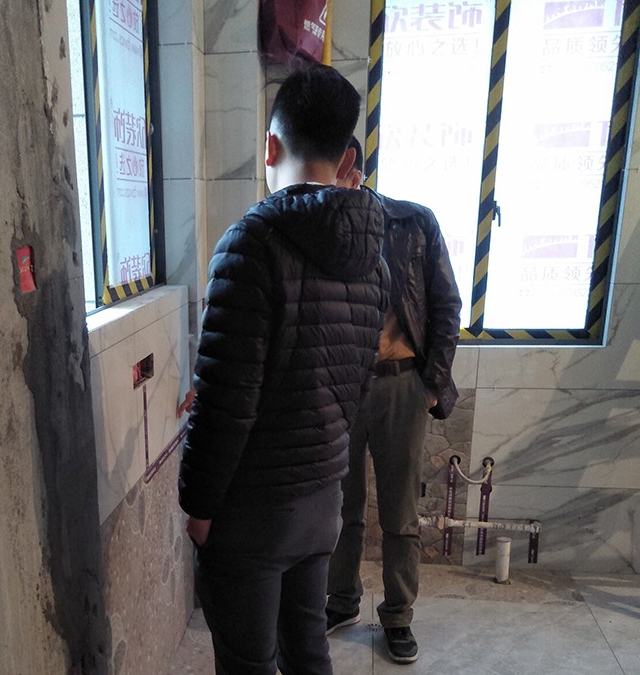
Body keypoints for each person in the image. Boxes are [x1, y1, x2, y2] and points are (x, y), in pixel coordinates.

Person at [178, 65, 390, 675]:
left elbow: (227, 402)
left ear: (270, 147)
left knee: (247, 663)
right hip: (322, 501)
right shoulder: (370, 261)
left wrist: (199, 507)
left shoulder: (250, 246)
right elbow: (355, 387)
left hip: (253, 512)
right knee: (307, 652)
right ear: (345, 156)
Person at [326, 136, 462, 664]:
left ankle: (398, 616)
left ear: (350, 168)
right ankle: (341, 601)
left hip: (401, 385)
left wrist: (429, 385)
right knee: (341, 507)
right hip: (340, 387)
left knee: (400, 513)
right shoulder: (317, 230)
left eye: (326, 171)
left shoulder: (412, 222)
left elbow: (447, 304)